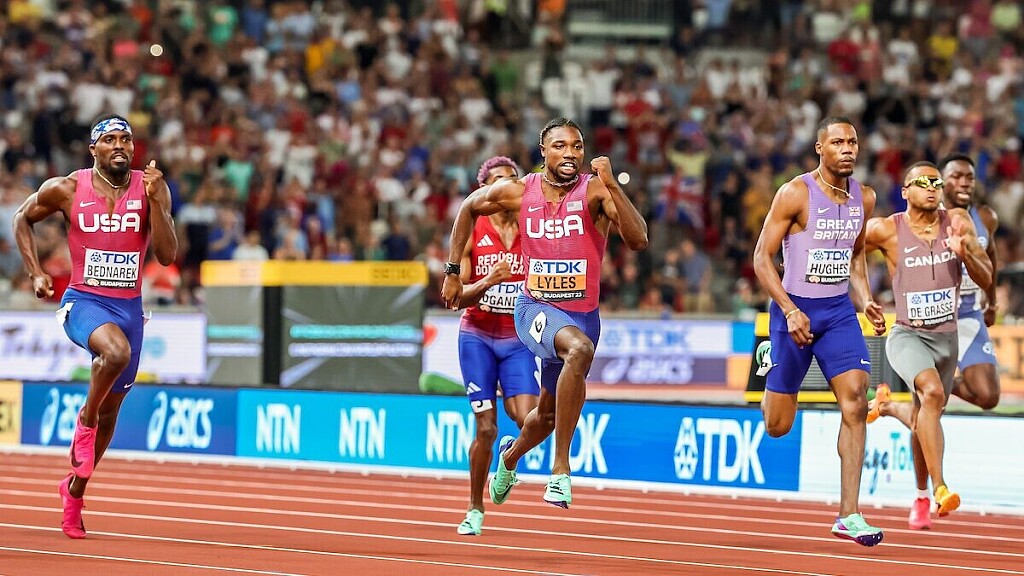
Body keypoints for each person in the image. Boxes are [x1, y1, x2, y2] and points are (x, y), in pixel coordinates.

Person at [441, 118, 648, 509]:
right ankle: (561, 471)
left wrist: (613, 185)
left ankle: (509, 459)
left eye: (577, 146)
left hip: (582, 315)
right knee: (579, 350)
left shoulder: (595, 191)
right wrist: (452, 271)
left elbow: (638, 240)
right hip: (535, 308)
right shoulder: (520, 191)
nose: (570, 153)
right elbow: (468, 208)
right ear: (543, 152)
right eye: (560, 146)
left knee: (546, 416)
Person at [12, 114, 178, 539]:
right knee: (114, 354)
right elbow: (21, 218)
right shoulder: (67, 188)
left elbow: (165, 256)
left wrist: (158, 203)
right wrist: (35, 272)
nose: (119, 145)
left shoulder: (151, 187)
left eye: (126, 139)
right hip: (83, 301)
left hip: (129, 308)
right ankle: (83, 421)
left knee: (111, 413)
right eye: (110, 140)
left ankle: (74, 491)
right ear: (94, 149)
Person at [751, 116, 886, 546]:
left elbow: (856, 256)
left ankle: (849, 514)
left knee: (856, 400)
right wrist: (790, 311)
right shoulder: (795, 193)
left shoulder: (865, 197)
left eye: (853, 142)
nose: (847, 149)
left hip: (838, 313)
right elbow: (761, 258)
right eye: (838, 142)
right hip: (793, 312)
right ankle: (772, 365)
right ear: (820, 148)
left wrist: (865, 299)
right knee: (777, 425)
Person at [866, 159, 995, 529]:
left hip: (947, 338)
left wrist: (965, 253)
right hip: (908, 335)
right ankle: (939, 489)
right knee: (933, 395)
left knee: (927, 414)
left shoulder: (957, 221)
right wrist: (865, 298)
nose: (932, 188)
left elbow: (986, 278)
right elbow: (852, 249)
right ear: (905, 191)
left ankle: (888, 410)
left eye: (937, 183)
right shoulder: (886, 228)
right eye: (923, 183)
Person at [454, 156, 540, 536]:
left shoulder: (534, 229)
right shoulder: (474, 229)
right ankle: (475, 508)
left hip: (517, 338)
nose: (506, 186)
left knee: (530, 420)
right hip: (478, 336)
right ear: (484, 191)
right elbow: (455, 297)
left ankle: (509, 459)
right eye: (497, 181)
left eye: (512, 179)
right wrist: (488, 281)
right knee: (486, 428)